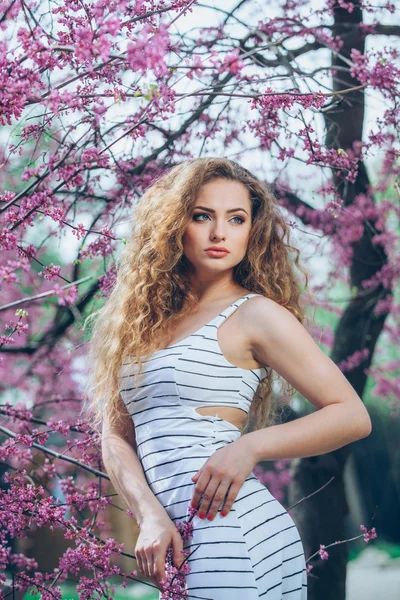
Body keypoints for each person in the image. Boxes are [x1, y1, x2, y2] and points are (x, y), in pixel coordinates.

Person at [83, 157, 372, 599]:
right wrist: (149, 515)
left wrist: (249, 447)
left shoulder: (257, 315)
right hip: (180, 538)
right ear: (174, 223)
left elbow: (352, 415)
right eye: (203, 216)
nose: (220, 233)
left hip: (238, 533)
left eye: (236, 219)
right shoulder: (139, 324)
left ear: (251, 232)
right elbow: (115, 436)